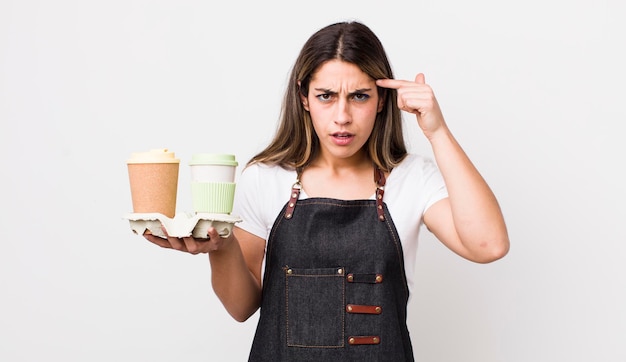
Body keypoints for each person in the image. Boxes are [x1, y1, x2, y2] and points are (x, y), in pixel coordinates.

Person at [144, 20, 509, 361]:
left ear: (382, 101)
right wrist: (220, 249)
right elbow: (241, 307)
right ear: (303, 97)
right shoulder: (265, 177)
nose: (342, 116)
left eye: (360, 97)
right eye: (326, 96)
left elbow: (489, 245)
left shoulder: (410, 178)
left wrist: (437, 131)